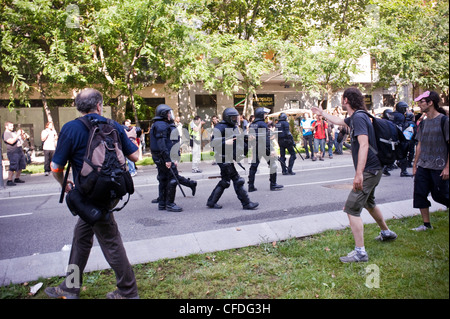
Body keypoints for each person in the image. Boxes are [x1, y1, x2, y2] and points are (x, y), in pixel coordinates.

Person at [45, 88, 139, 299]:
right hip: (111, 191)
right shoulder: (112, 125)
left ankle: (128, 291)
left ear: (79, 108)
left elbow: (55, 166)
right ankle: (70, 287)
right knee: (82, 237)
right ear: (99, 105)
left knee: (110, 241)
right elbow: (135, 156)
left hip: (89, 196)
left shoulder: (71, 129)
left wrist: (64, 184)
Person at [312, 87, 398, 263]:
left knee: (351, 208)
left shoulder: (358, 118)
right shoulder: (358, 116)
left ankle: (360, 252)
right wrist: (322, 113)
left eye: (342, 99)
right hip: (375, 169)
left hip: (368, 170)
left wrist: (359, 174)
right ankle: (386, 232)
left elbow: (364, 145)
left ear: (346, 100)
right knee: (369, 202)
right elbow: (338, 121)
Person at [207, 107, 258, 210]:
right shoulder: (219, 127)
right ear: (228, 117)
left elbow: (238, 140)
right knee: (237, 180)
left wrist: (247, 139)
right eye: (234, 118)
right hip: (223, 157)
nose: (236, 119)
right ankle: (246, 203)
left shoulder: (233, 127)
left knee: (225, 181)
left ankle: (211, 202)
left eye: (236, 117)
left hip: (228, 157)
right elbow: (213, 142)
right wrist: (224, 142)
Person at [412, 90, 449, 231]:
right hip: (423, 165)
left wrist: (447, 167)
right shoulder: (423, 123)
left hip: (440, 165)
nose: (419, 105)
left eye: (421, 102)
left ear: (430, 102)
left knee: (441, 195)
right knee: (419, 194)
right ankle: (426, 225)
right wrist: (415, 165)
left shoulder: (444, 121)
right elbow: (419, 145)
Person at [150, 104, 184, 212]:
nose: (170, 115)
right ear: (164, 114)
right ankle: (169, 203)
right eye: (169, 113)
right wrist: (168, 159)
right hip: (164, 157)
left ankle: (162, 203)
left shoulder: (159, 124)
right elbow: (162, 144)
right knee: (172, 179)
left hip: (161, 157)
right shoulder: (161, 125)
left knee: (163, 179)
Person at [248, 107, 283, 192]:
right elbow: (265, 138)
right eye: (264, 114)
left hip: (256, 147)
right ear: (260, 114)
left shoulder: (253, 124)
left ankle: (251, 186)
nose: (265, 115)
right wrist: (271, 150)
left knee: (253, 167)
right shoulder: (262, 124)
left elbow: (251, 137)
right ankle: (273, 184)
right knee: (273, 165)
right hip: (264, 147)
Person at [391, 101, 413, 177]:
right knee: (403, 154)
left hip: (391, 137)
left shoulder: (392, 114)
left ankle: (386, 168)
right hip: (399, 137)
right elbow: (400, 127)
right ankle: (404, 171)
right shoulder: (401, 116)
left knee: (392, 153)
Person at [2, 122, 27, 186]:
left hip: (19, 150)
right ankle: (9, 180)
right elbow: (11, 141)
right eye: (10, 126)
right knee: (13, 166)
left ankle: (17, 178)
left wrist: (22, 134)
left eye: (12, 126)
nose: (12, 127)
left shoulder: (14, 132)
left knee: (21, 165)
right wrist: (17, 134)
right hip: (13, 152)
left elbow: (22, 139)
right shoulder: (6, 134)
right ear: (6, 127)